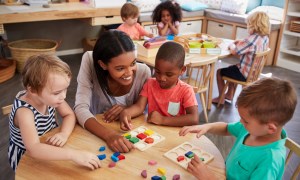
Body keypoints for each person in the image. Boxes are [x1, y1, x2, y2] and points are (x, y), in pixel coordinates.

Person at [179, 77, 297, 179]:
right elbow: (226, 128)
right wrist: (206, 127)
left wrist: (209, 178)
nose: (241, 122)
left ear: (271, 128)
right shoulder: (253, 129)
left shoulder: (270, 160)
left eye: (245, 120)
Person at [8, 54, 101, 171]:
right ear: (32, 90)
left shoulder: (50, 97)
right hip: (26, 158)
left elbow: (69, 115)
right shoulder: (24, 112)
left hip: (49, 146)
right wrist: (73, 154)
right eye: (57, 92)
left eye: (65, 89)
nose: (64, 96)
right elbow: (33, 149)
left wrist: (64, 134)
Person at [74, 30, 151, 152]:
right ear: (103, 65)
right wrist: (109, 135)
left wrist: (127, 109)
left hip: (128, 136)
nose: (129, 72)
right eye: (120, 68)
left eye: (133, 63)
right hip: (96, 132)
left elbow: (141, 108)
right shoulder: (90, 60)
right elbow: (80, 108)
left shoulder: (144, 72)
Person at [120, 41, 198, 131]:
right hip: (153, 132)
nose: (162, 78)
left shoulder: (186, 90)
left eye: (169, 74)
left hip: (175, 134)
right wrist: (126, 112)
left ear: (182, 70)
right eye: (157, 72)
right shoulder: (150, 84)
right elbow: (139, 107)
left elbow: (193, 118)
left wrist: (163, 120)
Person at [212, 11, 270, 104]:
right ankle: (229, 94)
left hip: (244, 74)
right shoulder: (265, 38)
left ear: (253, 25)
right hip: (254, 73)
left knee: (220, 72)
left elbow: (235, 51)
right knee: (232, 68)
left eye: (248, 24)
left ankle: (221, 98)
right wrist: (242, 42)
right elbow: (250, 46)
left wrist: (232, 44)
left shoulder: (250, 40)